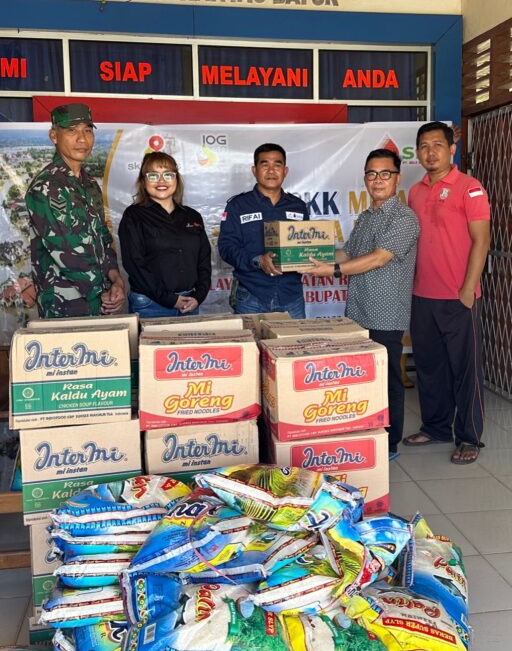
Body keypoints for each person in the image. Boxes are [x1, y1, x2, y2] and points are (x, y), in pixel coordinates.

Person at [305, 148, 420, 459]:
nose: (377, 180)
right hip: (357, 312)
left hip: (385, 315)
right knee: (362, 379)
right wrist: (307, 257)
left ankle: (390, 442)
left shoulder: (404, 218)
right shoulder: (366, 217)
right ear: (365, 179)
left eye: (385, 174)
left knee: (387, 379)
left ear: (397, 178)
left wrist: (333, 270)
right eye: (371, 174)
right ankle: (366, 433)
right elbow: (348, 253)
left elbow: (378, 258)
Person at [403, 121, 490, 465]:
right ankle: (436, 427)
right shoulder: (415, 191)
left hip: (458, 296)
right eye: (424, 146)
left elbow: (482, 240)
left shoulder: (470, 187)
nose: (430, 152)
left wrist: (468, 289)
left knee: (465, 370)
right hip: (422, 295)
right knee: (429, 367)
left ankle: (469, 437)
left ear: (452, 149)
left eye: (437, 145)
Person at [25, 103, 125, 318]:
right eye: (72, 131)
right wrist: (100, 292)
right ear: (54, 136)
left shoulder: (90, 184)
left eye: (87, 130)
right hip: (65, 304)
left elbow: (102, 236)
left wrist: (115, 278)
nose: (82, 139)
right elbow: (64, 247)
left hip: (102, 299)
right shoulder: (47, 186)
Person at [218, 142, 309, 318]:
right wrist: (258, 261)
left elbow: (305, 245)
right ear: (254, 170)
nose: (271, 170)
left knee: (294, 338)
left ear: (285, 171)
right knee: (251, 338)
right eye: (264, 164)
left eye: (277, 165)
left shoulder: (298, 206)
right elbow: (226, 247)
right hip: (251, 296)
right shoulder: (238, 205)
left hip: (291, 297)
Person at [118, 151, 211, 318]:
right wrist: (169, 299)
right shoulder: (134, 215)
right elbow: (134, 264)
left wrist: (199, 296)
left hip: (189, 303)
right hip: (150, 305)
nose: (161, 181)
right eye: (153, 175)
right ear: (143, 181)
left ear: (176, 179)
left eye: (168, 175)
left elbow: (203, 260)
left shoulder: (192, 216)